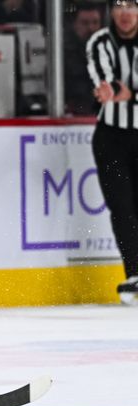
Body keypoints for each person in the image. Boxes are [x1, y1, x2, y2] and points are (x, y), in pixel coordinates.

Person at [87, 0, 138, 305]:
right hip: (111, 137)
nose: (125, 12)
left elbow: (123, 90)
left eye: (132, 5)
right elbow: (106, 85)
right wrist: (116, 91)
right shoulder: (100, 42)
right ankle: (134, 272)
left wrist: (126, 92)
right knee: (122, 206)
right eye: (118, 5)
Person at [65, 2, 103, 115]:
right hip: (75, 115)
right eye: (85, 23)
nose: (91, 28)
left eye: (95, 22)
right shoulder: (63, 53)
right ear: (74, 24)